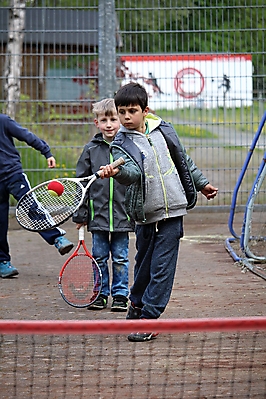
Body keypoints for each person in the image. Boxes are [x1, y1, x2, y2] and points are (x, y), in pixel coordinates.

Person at [100, 82, 218, 341]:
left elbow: (182, 159)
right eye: (122, 112)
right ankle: (138, 305)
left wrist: (201, 184)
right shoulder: (119, 144)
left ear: (145, 111)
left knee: (162, 266)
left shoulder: (163, 130)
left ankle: (150, 317)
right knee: (144, 265)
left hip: (174, 209)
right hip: (145, 213)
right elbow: (132, 173)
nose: (126, 117)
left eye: (132, 111)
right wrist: (117, 173)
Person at [72, 98, 133, 312]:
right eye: (104, 120)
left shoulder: (127, 147)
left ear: (121, 121)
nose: (109, 124)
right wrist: (80, 215)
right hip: (97, 217)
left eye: (113, 119)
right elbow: (82, 185)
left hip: (122, 217)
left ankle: (120, 295)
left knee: (120, 257)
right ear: (96, 122)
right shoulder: (90, 149)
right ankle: (99, 294)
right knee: (98, 257)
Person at [0, 114, 74, 278]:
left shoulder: (3, 121)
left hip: (13, 175)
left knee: (31, 207)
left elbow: (27, 135)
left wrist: (46, 152)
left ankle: (57, 238)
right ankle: (3, 262)